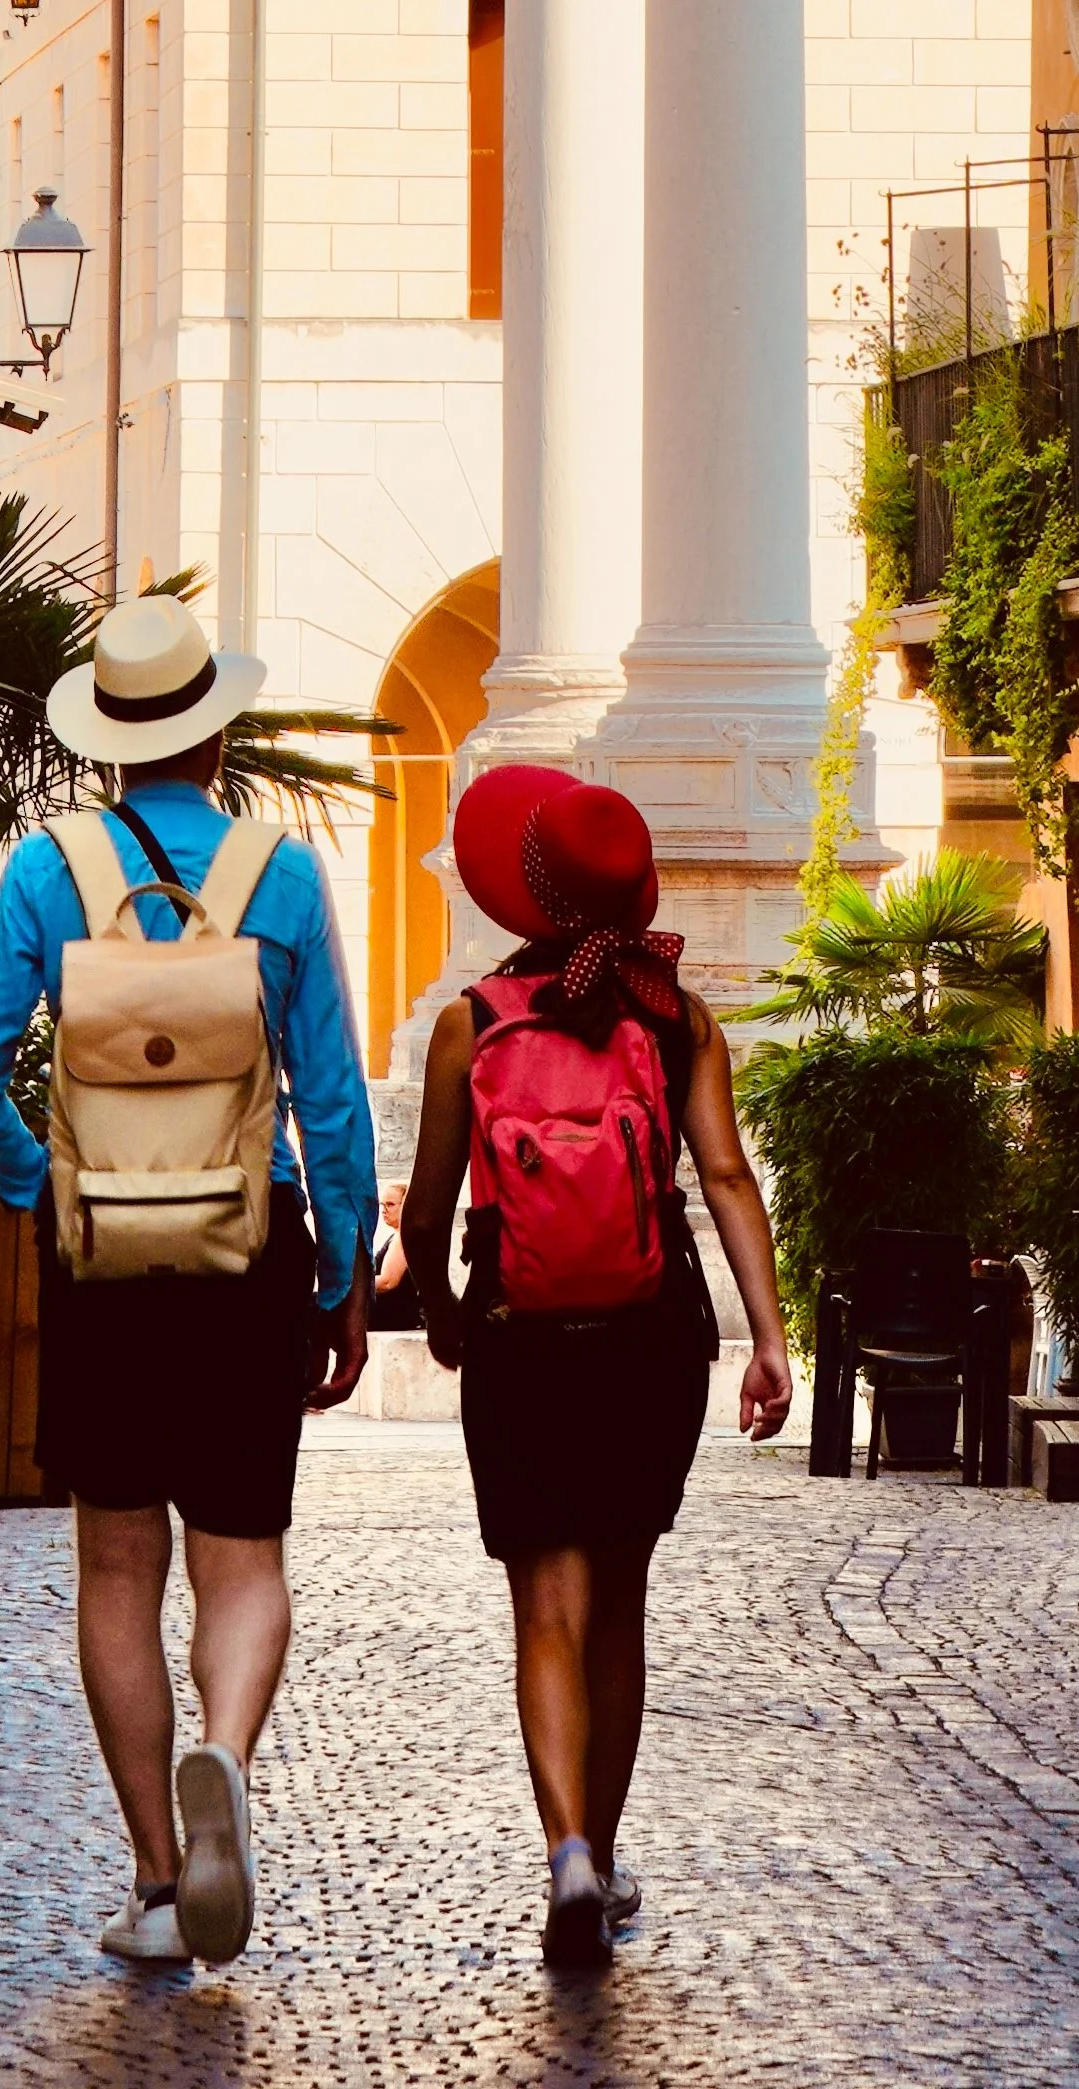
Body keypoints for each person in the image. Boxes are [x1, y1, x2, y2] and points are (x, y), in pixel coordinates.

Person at [0, 595, 376, 1967]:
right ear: (218, 731)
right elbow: (333, 1102)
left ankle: (154, 1879)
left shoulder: (43, 870)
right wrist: (344, 1274)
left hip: (105, 1262)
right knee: (242, 1558)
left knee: (117, 1566)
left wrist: (47, 1185)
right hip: (250, 1253)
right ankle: (225, 1760)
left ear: (106, 745)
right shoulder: (283, 876)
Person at [400, 764, 792, 1971]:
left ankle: (565, 1848)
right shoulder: (676, 1014)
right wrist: (770, 1339)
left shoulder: (473, 1018)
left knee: (545, 1606)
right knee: (617, 1598)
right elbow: (725, 1177)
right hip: (647, 1335)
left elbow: (423, 1209)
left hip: (521, 1332)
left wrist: (446, 1312)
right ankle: (605, 1859)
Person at [368, 1181, 422, 1331]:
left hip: (393, 1312)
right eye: (382, 1205)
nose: (384, 1210)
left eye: (390, 1205)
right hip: (392, 1309)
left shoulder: (404, 1237)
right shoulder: (399, 1235)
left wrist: (352, 1288)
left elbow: (388, 1282)